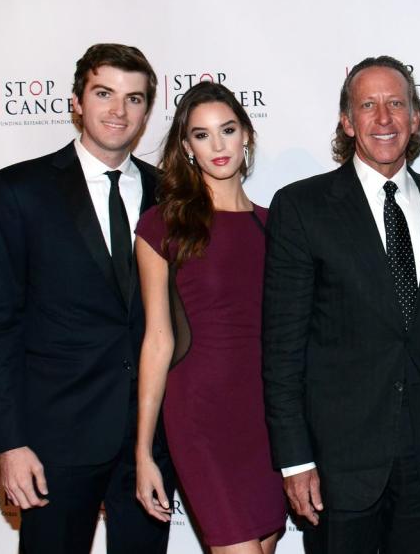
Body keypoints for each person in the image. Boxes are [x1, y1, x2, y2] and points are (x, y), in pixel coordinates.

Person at [261, 55, 420, 554]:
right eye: (368, 105)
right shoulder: (301, 208)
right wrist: (295, 460)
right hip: (338, 464)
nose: (383, 119)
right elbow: (281, 349)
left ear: (416, 118)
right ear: (347, 120)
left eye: (396, 104)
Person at [0, 43, 176, 554]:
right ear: (75, 103)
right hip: (54, 440)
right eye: (104, 93)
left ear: (147, 112)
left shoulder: (170, 195)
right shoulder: (20, 189)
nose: (118, 110)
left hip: (148, 441)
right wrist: (8, 444)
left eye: (134, 99)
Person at [133, 81, 286, 553]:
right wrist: (142, 451)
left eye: (227, 130)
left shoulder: (274, 224)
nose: (218, 146)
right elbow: (158, 338)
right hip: (202, 414)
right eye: (201, 135)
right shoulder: (163, 224)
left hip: (267, 415)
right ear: (186, 147)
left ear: (247, 136)